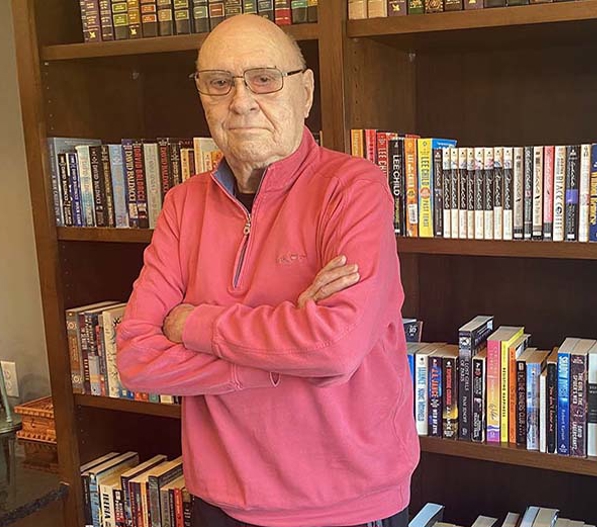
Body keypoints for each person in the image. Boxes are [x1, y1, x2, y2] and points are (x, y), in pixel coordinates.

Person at [116, 14, 419, 527]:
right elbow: (138, 359)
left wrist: (194, 324)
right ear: (203, 98)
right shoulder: (182, 205)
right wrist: (289, 356)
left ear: (305, 92)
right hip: (222, 499)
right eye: (219, 83)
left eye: (264, 78)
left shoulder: (354, 188)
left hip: (349, 500)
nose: (240, 101)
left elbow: (335, 344)